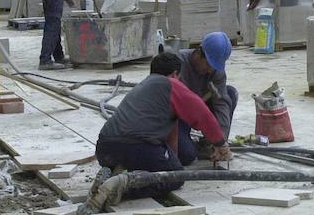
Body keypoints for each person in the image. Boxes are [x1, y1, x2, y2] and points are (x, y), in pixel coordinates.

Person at [95, 53, 231, 198]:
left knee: (161, 165)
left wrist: (171, 161)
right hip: (135, 147)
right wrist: (220, 143)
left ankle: (114, 173)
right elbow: (202, 114)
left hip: (104, 149)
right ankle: (120, 188)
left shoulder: (143, 86)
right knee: (175, 177)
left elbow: (171, 132)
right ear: (174, 74)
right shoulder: (171, 84)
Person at [173, 31, 237, 166]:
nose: (209, 70)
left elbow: (221, 104)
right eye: (208, 65)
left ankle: (208, 144)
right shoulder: (178, 64)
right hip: (178, 115)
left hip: (201, 108)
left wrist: (221, 140)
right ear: (199, 53)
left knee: (230, 93)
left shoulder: (216, 72)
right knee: (186, 156)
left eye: (213, 67)